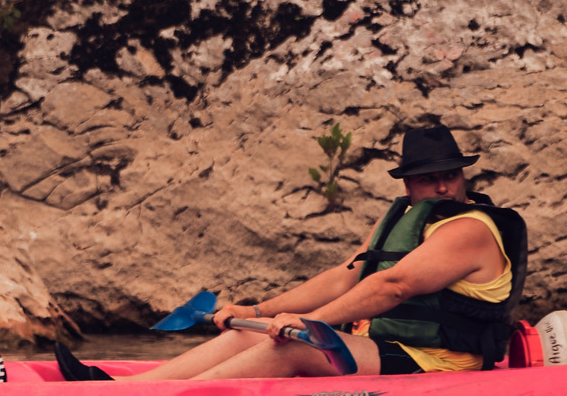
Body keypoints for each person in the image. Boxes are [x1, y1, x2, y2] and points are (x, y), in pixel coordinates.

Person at [55, 126, 528, 381]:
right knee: (251, 335)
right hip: (393, 347)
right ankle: (122, 391)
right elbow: (344, 277)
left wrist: (310, 323)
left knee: (291, 346)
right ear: (408, 183)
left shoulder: (469, 228)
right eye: (429, 177)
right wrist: (259, 310)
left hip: (438, 361)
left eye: (451, 174)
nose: (443, 185)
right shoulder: (406, 216)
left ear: (464, 175)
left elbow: (393, 285)